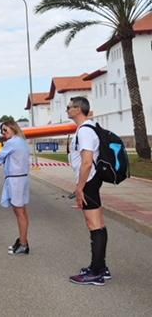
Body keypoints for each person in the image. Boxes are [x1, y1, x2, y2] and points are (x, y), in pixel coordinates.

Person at [67, 96, 111, 286]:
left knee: (94, 225)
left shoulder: (85, 131)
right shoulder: (88, 128)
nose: (67, 109)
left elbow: (86, 162)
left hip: (89, 182)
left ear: (78, 109)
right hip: (92, 181)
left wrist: (80, 188)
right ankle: (101, 267)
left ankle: (96, 272)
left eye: (69, 107)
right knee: (98, 223)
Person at [0, 120, 31, 255]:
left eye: (5, 130)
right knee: (23, 212)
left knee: (19, 212)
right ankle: (23, 240)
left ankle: (23, 244)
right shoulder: (22, 141)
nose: (4, 133)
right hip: (22, 178)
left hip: (15, 179)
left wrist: (1, 152)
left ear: (12, 128)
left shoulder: (11, 143)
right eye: (2, 131)